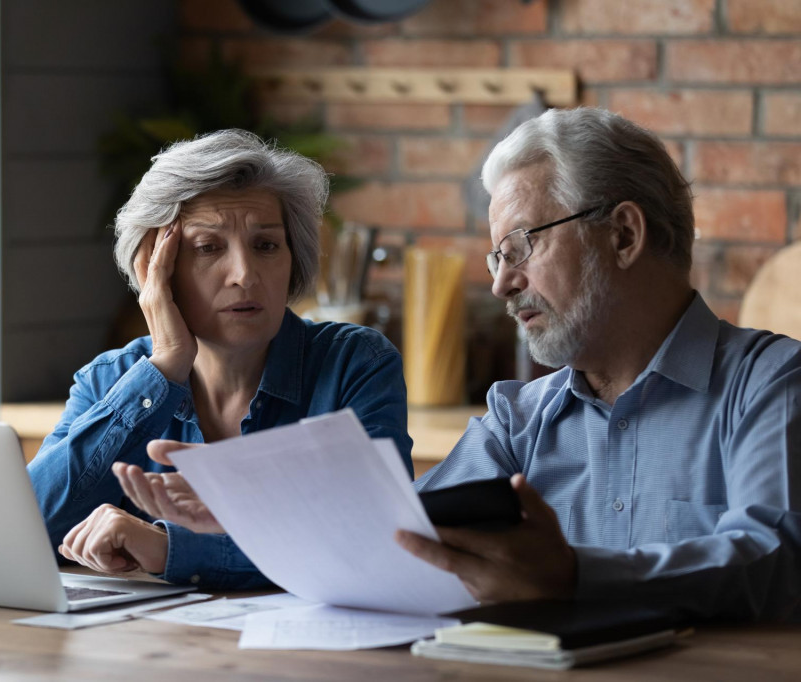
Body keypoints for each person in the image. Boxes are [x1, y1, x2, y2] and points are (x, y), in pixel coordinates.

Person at [126, 108, 801, 621]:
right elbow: (402, 542)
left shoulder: (771, 385)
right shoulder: (517, 419)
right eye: (496, 258)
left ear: (623, 235)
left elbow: (777, 561)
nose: (503, 284)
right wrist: (257, 515)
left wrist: (572, 576)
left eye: (520, 248)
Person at [27, 129, 412, 590]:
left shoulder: (355, 364)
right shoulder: (111, 380)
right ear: (155, 269)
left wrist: (169, 549)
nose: (245, 275)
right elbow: (22, 531)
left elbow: (379, 540)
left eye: (266, 245)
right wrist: (165, 366)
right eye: (208, 248)